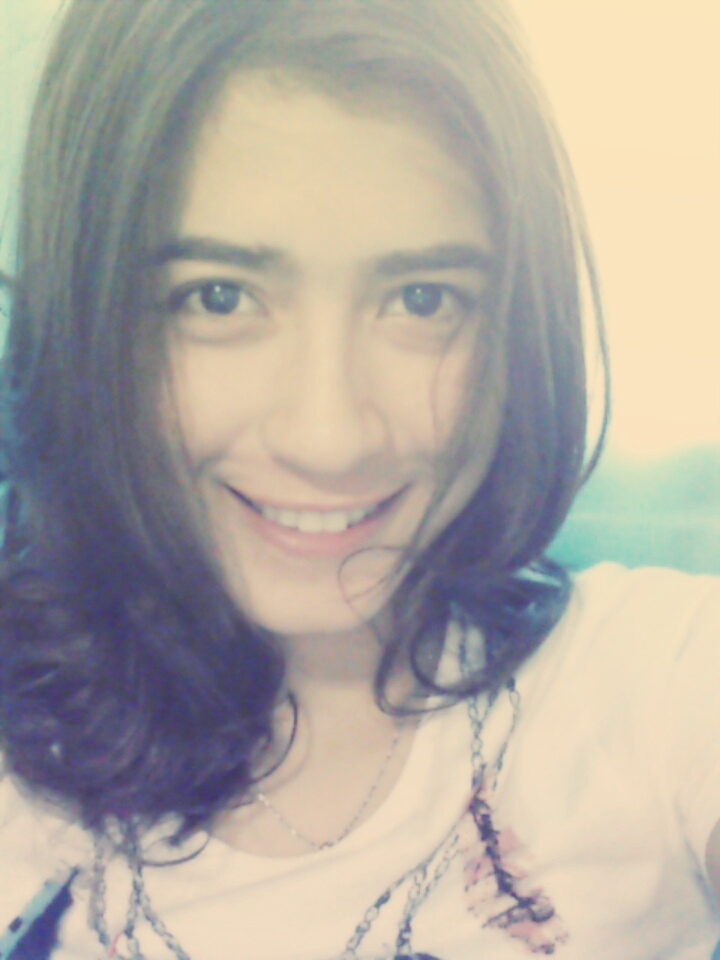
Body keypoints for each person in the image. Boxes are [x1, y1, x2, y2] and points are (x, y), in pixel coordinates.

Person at [0, 0, 718, 957]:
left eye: (422, 300)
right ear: (89, 317)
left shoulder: (661, 682)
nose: (330, 437)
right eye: (219, 297)